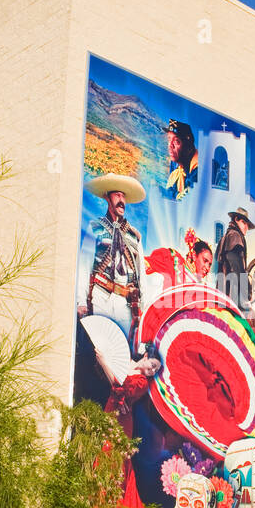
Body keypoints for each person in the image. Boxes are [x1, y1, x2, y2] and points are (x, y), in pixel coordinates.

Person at [77, 173, 146, 349]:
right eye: (117, 195)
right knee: (100, 349)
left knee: (121, 349)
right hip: (101, 296)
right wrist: (81, 301)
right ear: (108, 197)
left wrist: (143, 305)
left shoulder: (134, 235)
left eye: (123, 196)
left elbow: (141, 275)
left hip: (125, 302)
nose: (121, 200)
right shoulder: (95, 228)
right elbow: (84, 266)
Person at [215, 207, 254, 310]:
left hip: (224, 297)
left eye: (247, 225)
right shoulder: (235, 236)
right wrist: (248, 291)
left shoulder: (226, 236)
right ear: (236, 219)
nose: (246, 227)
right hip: (231, 299)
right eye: (243, 222)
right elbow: (237, 267)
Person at [163, 120, 198, 200]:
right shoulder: (175, 162)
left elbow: (188, 199)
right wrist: (175, 195)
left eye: (176, 141)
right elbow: (170, 190)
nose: (170, 146)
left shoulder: (197, 171)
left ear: (187, 146)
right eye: (169, 139)